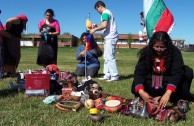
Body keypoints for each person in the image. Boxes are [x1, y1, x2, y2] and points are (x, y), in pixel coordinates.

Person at [131, 31, 194, 110]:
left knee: (187, 71)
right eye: (156, 47)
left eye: (162, 47)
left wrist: (168, 93)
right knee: (136, 84)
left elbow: (177, 73)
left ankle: (174, 96)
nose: (159, 50)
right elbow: (139, 72)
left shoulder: (175, 52)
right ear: (152, 45)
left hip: (167, 80)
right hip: (152, 80)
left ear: (167, 45)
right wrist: (141, 92)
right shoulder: (147, 51)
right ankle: (150, 95)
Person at [90, 1, 119, 82]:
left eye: (97, 9)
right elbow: (105, 26)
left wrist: (94, 29)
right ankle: (107, 74)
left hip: (111, 37)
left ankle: (114, 76)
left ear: (100, 6)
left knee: (110, 57)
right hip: (109, 37)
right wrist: (97, 25)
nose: (97, 11)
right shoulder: (107, 12)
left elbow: (104, 25)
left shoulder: (105, 13)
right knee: (106, 57)